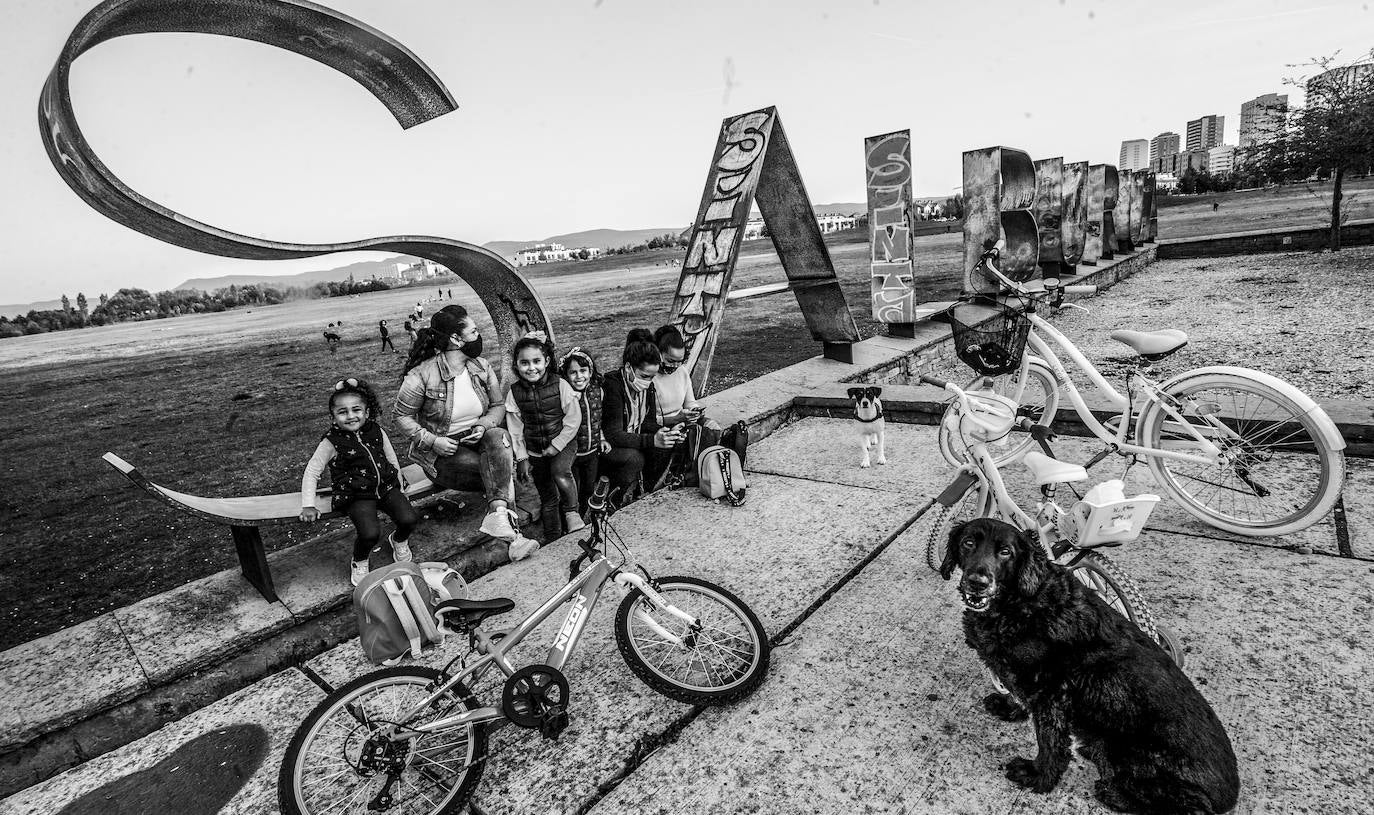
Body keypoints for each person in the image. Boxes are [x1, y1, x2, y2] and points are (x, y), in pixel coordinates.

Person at [395, 305, 528, 551]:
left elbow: (498, 405)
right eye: (474, 331)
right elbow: (401, 417)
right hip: (443, 452)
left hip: (480, 439)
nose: (479, 336)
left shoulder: (481, 367)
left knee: (499, 436)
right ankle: (514, 538)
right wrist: (432, 441)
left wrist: (482, 424)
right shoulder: (421, 375)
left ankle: (500, 519)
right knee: (499, 469)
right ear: (456, 339)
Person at [298, 377, 417, 586]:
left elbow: (391, 458)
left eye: (356, 410)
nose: (351, 416)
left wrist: (399, 484)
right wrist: (308, 504)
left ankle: (398, 540)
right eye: (342, 412)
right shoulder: (331, 441)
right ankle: (360, 560)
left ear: (367, 412)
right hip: (355, 495)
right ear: (333, 417)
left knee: (409, 519)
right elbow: (312, 471)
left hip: (386, 488)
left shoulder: (376, 431)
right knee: (370, 533)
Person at [505, 334, 584, 539]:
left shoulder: (560, 385)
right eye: (524, 363)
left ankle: (572, 511)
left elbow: (573, 418)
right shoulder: (514, 393)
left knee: (560, 472)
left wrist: (557, 445)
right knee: (548, 497)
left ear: (546, 362)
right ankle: (553, 536)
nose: (531, 368)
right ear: (516, 364)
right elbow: (515, 429)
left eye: (536, 361)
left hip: (564, 442)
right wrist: (522, 458)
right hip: (535, 451)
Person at [601, 328, 682, 506]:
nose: (648, 382)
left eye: (652, 377)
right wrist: (651, 440)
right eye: (644, 376)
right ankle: (612, 501)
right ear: (629, 367)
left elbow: (648, 423)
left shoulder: (648, 387)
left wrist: (667, 433)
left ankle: (643, 490)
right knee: (635, 457)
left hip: (633, 438)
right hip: (607, 447)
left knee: (667, 444)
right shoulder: (613, 386)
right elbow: (614, 434)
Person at [560, 346, 609, 514]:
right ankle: (568, 521)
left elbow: (598, 420)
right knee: (569, 491)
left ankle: (582, 517)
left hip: (592, 452)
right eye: (573, 372)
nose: (579, 376)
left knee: (588, 488)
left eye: (583, 370)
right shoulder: (564, 395)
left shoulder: (598, 391)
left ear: (591, 371)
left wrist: (601, 438)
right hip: (572, 454)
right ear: (566, 375)